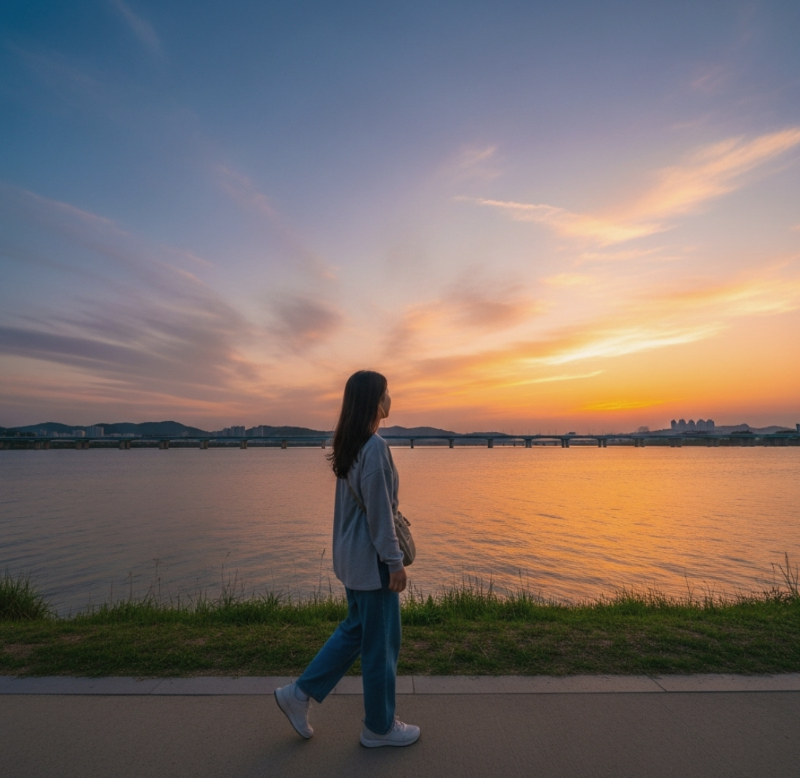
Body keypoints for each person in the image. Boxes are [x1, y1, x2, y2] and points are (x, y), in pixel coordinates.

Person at [274, 370, 420, 747]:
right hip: (373, 566)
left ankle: (299, 694)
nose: (391, 397)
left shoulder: (350, 444)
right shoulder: (374, 447)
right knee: (381, 647)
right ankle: (379, 727)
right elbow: (380, 514)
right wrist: (394, 563)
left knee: (356, 632)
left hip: (352, 561)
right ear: (376, 401)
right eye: (387, 392)